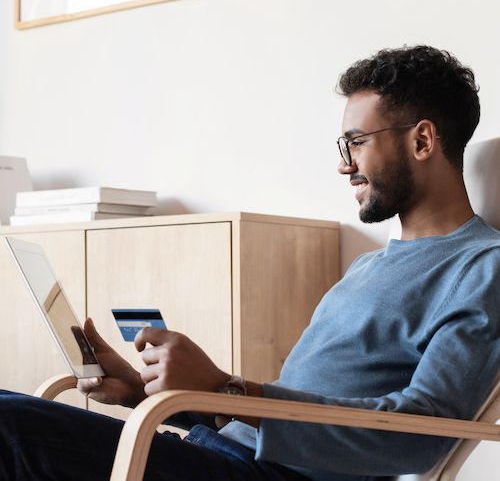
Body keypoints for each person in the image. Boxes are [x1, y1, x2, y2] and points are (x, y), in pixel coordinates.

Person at [1, 45, 500, 481]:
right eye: (342, 146)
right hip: (215, 455)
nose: (344, 164)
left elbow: (423, 429)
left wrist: (225, 386)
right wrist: (142, 393)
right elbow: (267, 428)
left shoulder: (482, 269)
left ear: (422, 141)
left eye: (357, 142)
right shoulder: (367, 269)